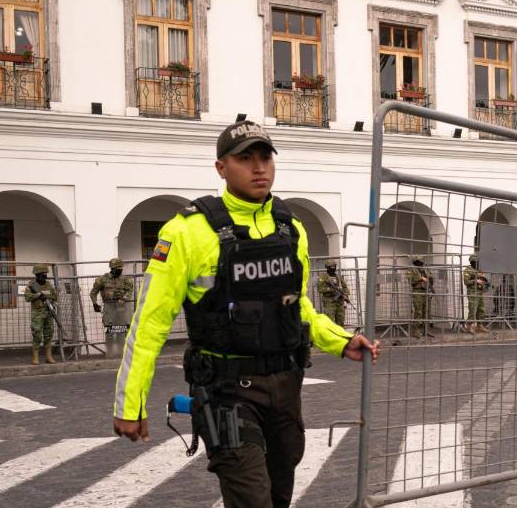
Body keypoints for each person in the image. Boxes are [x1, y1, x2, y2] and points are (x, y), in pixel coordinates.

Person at [111, 120, 379, 508]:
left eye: (265, 157)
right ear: (221, 167)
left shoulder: (291, 229)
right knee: (253, 500)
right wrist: (129, 405)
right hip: (227, 392)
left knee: (277, 496)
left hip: (286, 387)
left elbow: (296, 304)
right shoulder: (187, 232)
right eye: (245, 158)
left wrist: (339, 340)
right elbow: (150, 321)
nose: (259, 168)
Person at [91, 257, 136, 358]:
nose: (121, 270)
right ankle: (110, 352)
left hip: (122, 308)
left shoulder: (125, 279)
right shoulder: (102, 279)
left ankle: (120, 352)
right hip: (109, 307)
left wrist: (124, 298)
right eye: (118, 269)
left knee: (122, 330)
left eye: (121, 269)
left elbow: (129, 290)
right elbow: (93, 293)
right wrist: (95, 303)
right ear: (113, 269)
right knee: (110, 330)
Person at [25, 263, 57, 365]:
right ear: (37, 274)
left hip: (48, 312)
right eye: (43, 273)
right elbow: (27, 297)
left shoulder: (49, 285)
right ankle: (35, 357)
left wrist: (54, 305)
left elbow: (54, 297)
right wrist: (38, 295)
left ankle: (48, 356)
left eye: (46, 273)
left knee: (49, 334)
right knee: (37, 334)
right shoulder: (31, 285)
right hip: (37, 314)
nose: (45, 275)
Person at [316, 260, 350, 327]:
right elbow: (320, 289)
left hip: (340, 303)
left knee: (341, 322)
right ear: (327, 268)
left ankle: (340, 336)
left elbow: (345, 287)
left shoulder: (339, 277)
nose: (333, 269)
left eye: (334, 267)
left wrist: (345, 295)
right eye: (331, 267)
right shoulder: (323, 277)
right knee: (330, 323)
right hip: (329, 303)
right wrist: (331, 289)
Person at [463, 254, 489, 333]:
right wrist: (476, 281)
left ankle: (479, 325)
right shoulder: (468, 270)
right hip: (472, 293)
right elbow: (466, 282)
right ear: (472, 261)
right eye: (475, 261)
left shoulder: (478, 270)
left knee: (481, 310)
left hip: (480, 292)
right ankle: (469, 326)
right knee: (473, 310)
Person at [407, 256, 432, 337]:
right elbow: (411, 280)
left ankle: (426, 330)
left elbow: (431, 279)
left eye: (421, 261)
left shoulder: (424, 269)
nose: (421, 263)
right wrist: (420, 278)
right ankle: (416, 330)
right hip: (417, 291)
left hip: (426, 291)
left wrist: (429, 276)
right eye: (419, 261)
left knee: (427, 311)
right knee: (418, 311)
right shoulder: (411, 269)